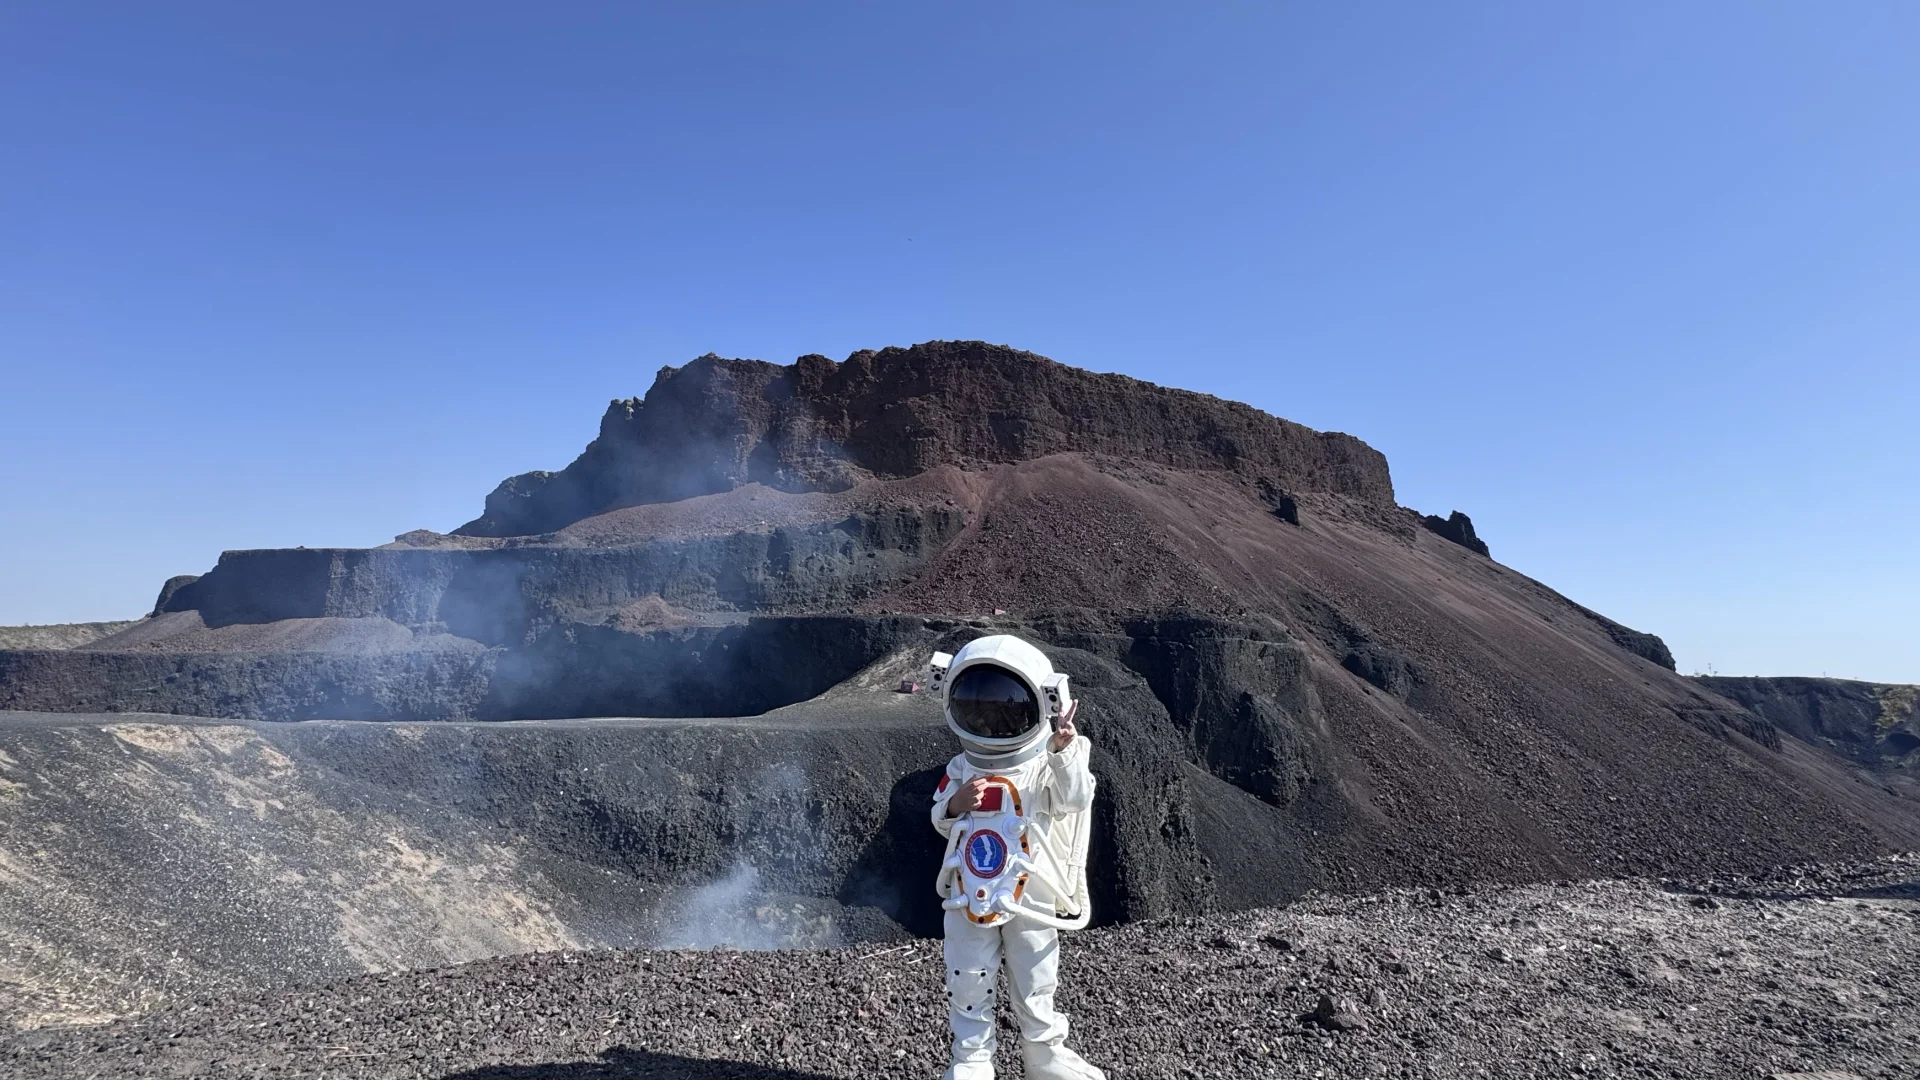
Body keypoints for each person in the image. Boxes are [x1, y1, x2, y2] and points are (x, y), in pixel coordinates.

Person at [927, 635, 1105, 1080]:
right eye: (979, 706)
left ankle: (1044, 1056)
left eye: (1005, 707)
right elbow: (939, 816)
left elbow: (1075, 799)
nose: (990, 719)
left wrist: (1063, 752)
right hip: (968, 890)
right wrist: (956, 804)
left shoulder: (1047, 761)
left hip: (1033, 888)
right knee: (968, 975)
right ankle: (970, 1060)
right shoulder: (961, 769)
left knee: (1035, 974)